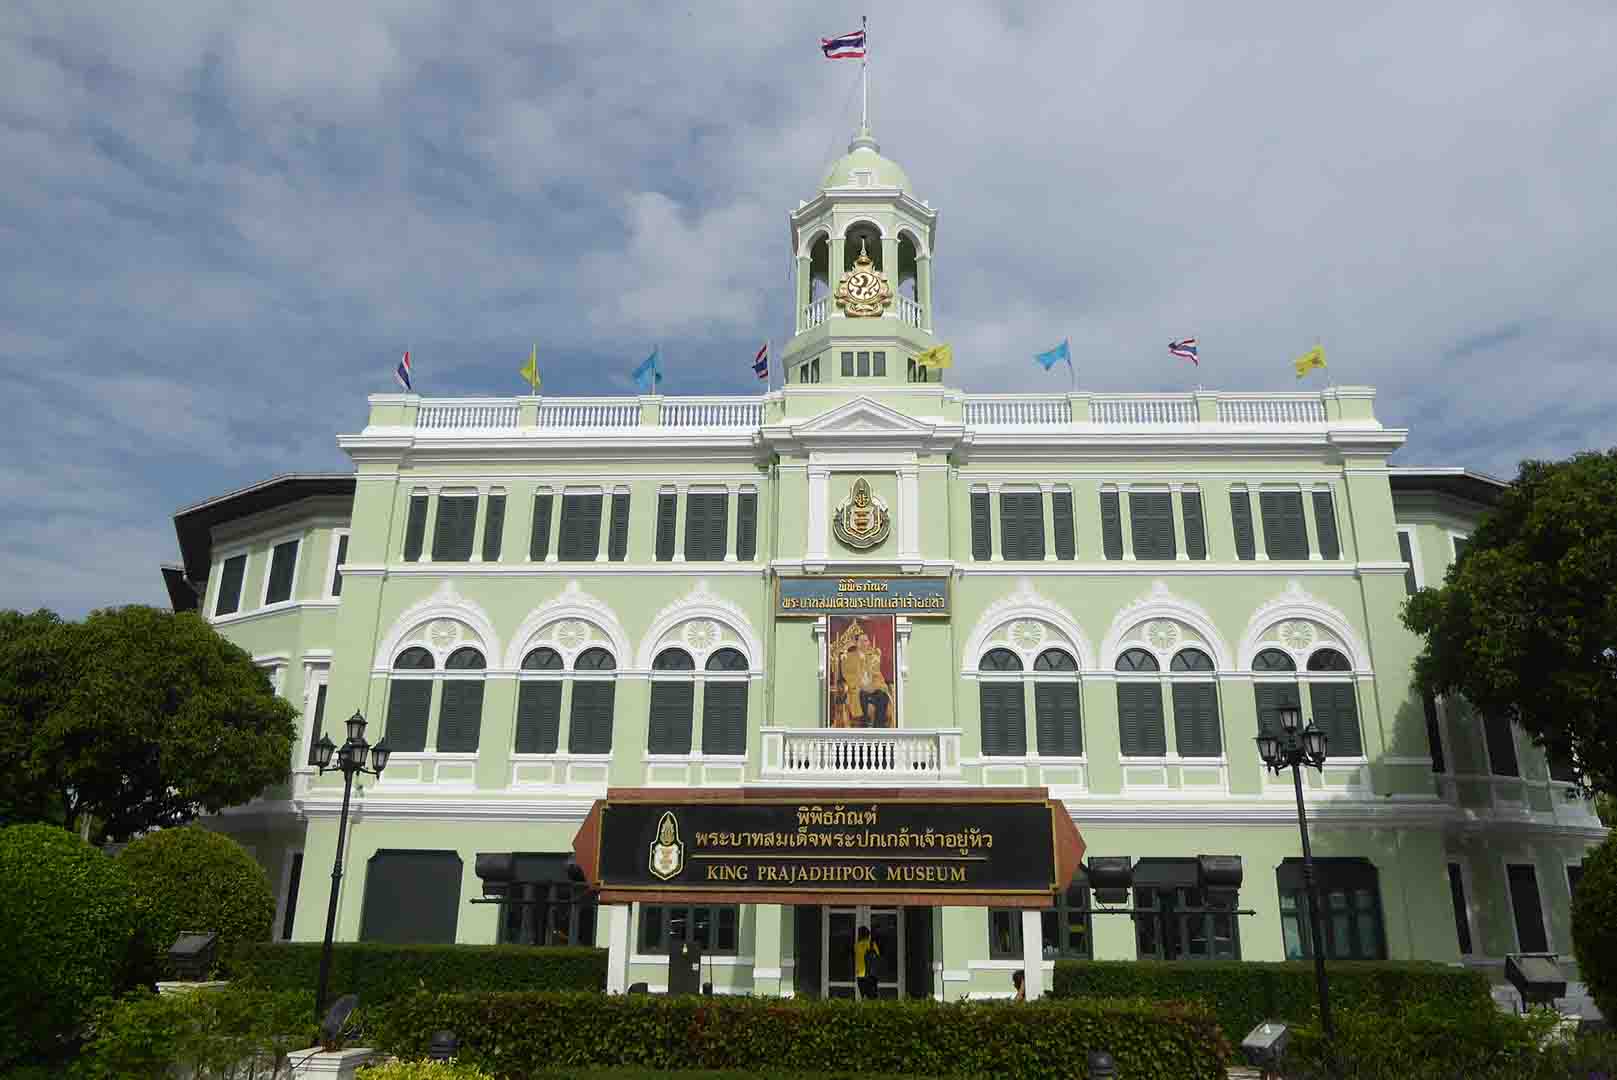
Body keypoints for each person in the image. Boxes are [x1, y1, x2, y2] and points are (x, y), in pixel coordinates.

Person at [854, 925, 881, 1000]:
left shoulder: (856, 945)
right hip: (870, 975)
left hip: (860, 975)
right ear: (868, 934)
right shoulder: (871, 944)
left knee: (864, 998)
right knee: (872, 999)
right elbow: (877, 955)